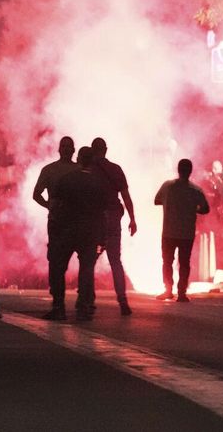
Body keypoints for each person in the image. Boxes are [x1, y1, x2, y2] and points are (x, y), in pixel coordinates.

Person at [48, 147, 111, 321]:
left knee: (59, 268)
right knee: (86, 270)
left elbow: (55, 207)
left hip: (67, 230)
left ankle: (58, 307)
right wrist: (103, 237)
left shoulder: (67, 180)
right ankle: (83, 308)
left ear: (79, 159)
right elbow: (104, 213)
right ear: (92, 161)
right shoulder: (99, 183)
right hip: (90, 232)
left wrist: (55, 230)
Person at [32, 137, 78, 320]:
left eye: (69, 147)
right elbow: (36, 194)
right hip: (63, 223)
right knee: (58, 264)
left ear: (73, 150)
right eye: (64, 147)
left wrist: (49, 206)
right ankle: (63, 305)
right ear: (60, 149)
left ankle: (63, 305)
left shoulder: (57, 170)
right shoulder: (72, 170)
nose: (67, 150)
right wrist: (49, 207)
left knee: (58, 263)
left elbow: (37, 194)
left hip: (66, 222)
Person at [90, 138, 136, 316]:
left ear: (93, 150)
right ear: (106, 150)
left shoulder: (89, 170)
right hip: (113, 220)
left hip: (94, 219)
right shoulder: (115, 169)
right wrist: (132, 219)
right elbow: (125, 196)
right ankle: (122, 301)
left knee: (89, 261)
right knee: (116, 261)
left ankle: (88, 301)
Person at [154, 159, 211, 302]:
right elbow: (205, 209)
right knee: (184, 262)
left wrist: (169, 204)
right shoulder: (196, 190)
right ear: (190, 171)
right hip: (186, 232)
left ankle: (168, 290)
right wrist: (193, 208)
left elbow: (156, 200)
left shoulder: (167, 186)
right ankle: (181, 293)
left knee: (167, 261)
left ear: (178, 170)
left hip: (168, 231)